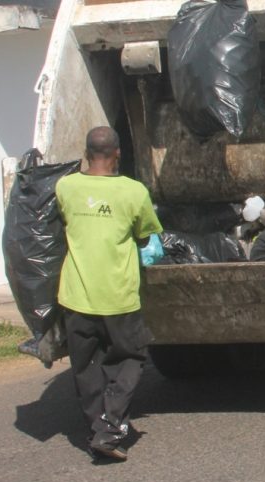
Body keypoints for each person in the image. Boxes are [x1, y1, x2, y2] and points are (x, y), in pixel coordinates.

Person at [56, 126, 163, 461]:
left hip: (76, 295)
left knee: (86, 364)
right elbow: (146, 236)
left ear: (86, 153)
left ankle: (98, 426)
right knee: (129, 358)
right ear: (118, 153)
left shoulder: (66, 187)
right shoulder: (133, 192)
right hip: (118, 295)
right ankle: (110, 425)